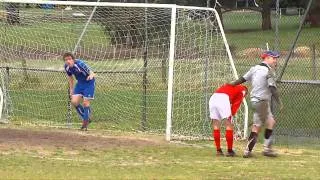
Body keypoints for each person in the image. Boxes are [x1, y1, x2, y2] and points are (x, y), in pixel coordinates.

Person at [230, 50, 282, 158]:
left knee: (271, 122)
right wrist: (279, 102)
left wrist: (232, 84)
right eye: (274, 58)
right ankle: (248, 151)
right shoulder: (268, 71)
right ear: (267, 58)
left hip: (256, 101)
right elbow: (272, 88)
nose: (275, 61)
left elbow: (242, 79)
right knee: (257, 127)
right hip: (261, 102)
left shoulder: (255, 68)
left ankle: (266, 149)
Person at [209, 84, 248, 157]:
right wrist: (231, 115)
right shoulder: (242, 90)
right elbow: (236, 104)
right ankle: (230, 151)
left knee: (216, 124)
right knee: (228, 125)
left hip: (213, 98)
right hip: (223, 99)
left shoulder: (233, 87)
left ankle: (218, 151)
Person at [63, 52, 95, 131]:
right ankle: (86, 116)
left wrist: (90, 76)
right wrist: (71, 89)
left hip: (89, 83)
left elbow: (92, 73)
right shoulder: (66, 67)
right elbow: (70, 78)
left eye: (69, 59)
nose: (68, 61)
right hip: (80, 84)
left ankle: (85, 123)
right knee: (74, 101)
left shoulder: (80, 64)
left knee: (85, 103)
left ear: (73, 59)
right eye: (66, 60)